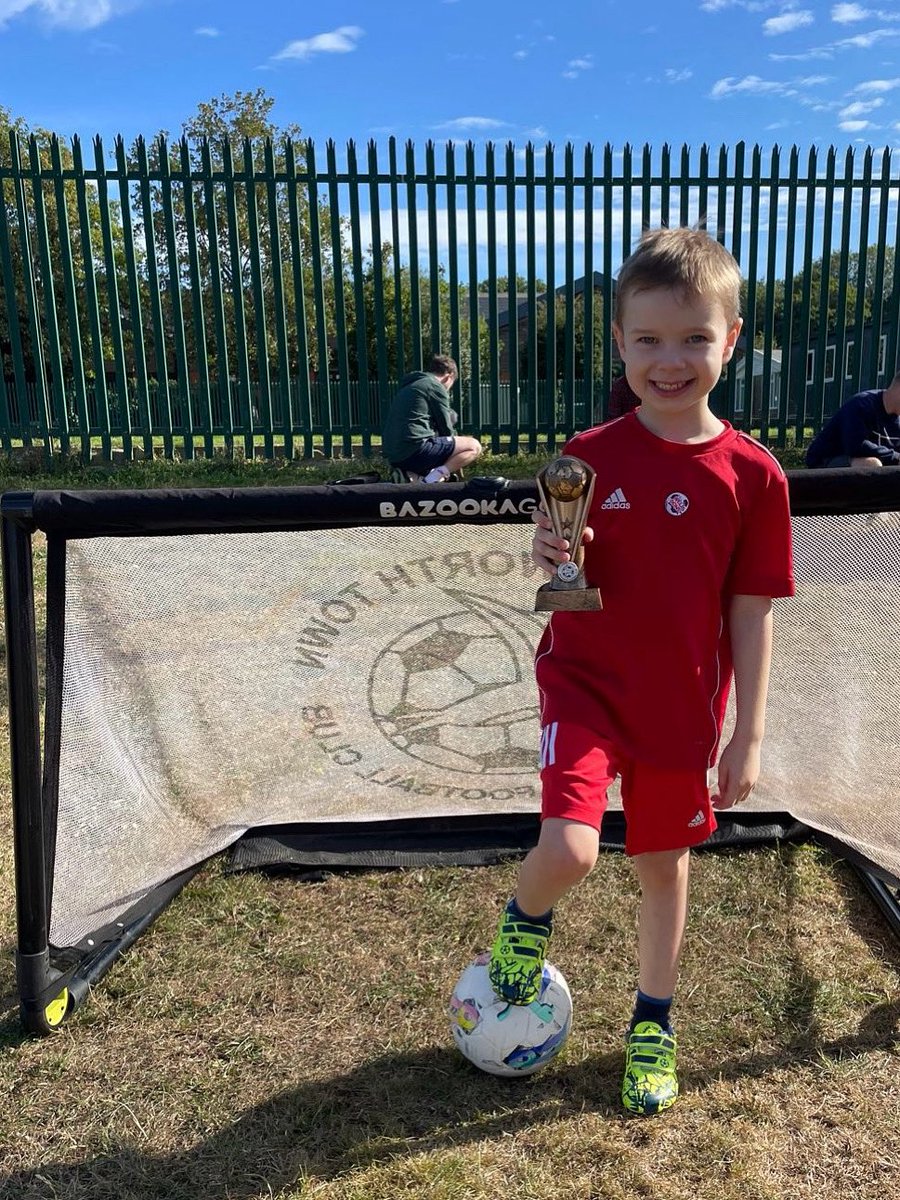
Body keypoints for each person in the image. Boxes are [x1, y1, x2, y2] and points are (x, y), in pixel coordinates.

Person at [486, 227, 795, 1116]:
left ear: (731, 341)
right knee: (572, 848)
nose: (671, 361)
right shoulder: (586, 455)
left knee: (663, 865)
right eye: (649, 340)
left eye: (694, 338)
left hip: (679, 712)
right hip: (583, 688)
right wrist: (553, 552)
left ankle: (652, 1024)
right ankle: (522, 928)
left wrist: (749, 732)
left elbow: (751, 610)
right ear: (618, 343)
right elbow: (559, 564)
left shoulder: (756, 476)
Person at [381, 354, 482, 482]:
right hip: (414, 451)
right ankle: (433, 478)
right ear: (449, 376)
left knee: (437, 443)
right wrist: (454, 462)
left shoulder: (412, 384)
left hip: (395, 456)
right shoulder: (434, 386)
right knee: (473, 446)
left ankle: (414, 476)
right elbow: (446, 427)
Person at [805, 374, 900, 468]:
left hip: (854, 462)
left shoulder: (897, 418)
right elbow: (856, 447)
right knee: (872, 464)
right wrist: (896, 457)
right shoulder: (861, 405)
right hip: (825, 461)